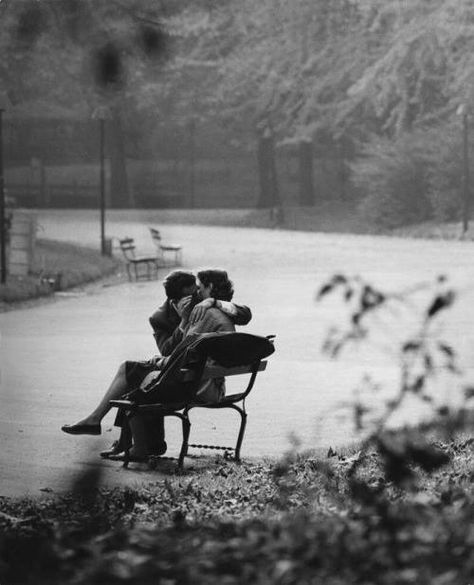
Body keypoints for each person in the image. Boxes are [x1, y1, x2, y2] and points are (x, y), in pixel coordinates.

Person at [61, 269, 249, 458]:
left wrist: (158, 360)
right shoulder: (209, 314)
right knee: (135, 374)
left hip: (196, 384)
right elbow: (184, 351)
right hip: (201, 379)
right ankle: (127, 441)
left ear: (209, 288)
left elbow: (183, 353)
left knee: (135, 379)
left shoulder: (206, 313)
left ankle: (134, 445)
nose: (196, 295)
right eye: (192, 292)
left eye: (199, 289)